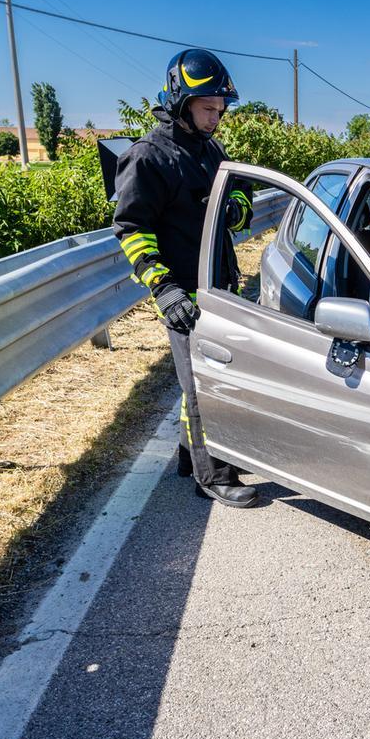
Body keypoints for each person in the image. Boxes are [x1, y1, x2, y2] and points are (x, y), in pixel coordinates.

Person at [112, 48, 258, 508]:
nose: (216, 117)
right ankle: (210, 473)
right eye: (207, 108)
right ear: (181, 102)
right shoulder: (148, 158)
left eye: (220, 109)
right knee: (203, 382)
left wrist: (236, 210)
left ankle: (187, 453)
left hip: (218, 284)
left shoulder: (211, 150)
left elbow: (243, 201)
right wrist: (164, 288)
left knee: (206, 374)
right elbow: (132, 230)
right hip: (182, 292)